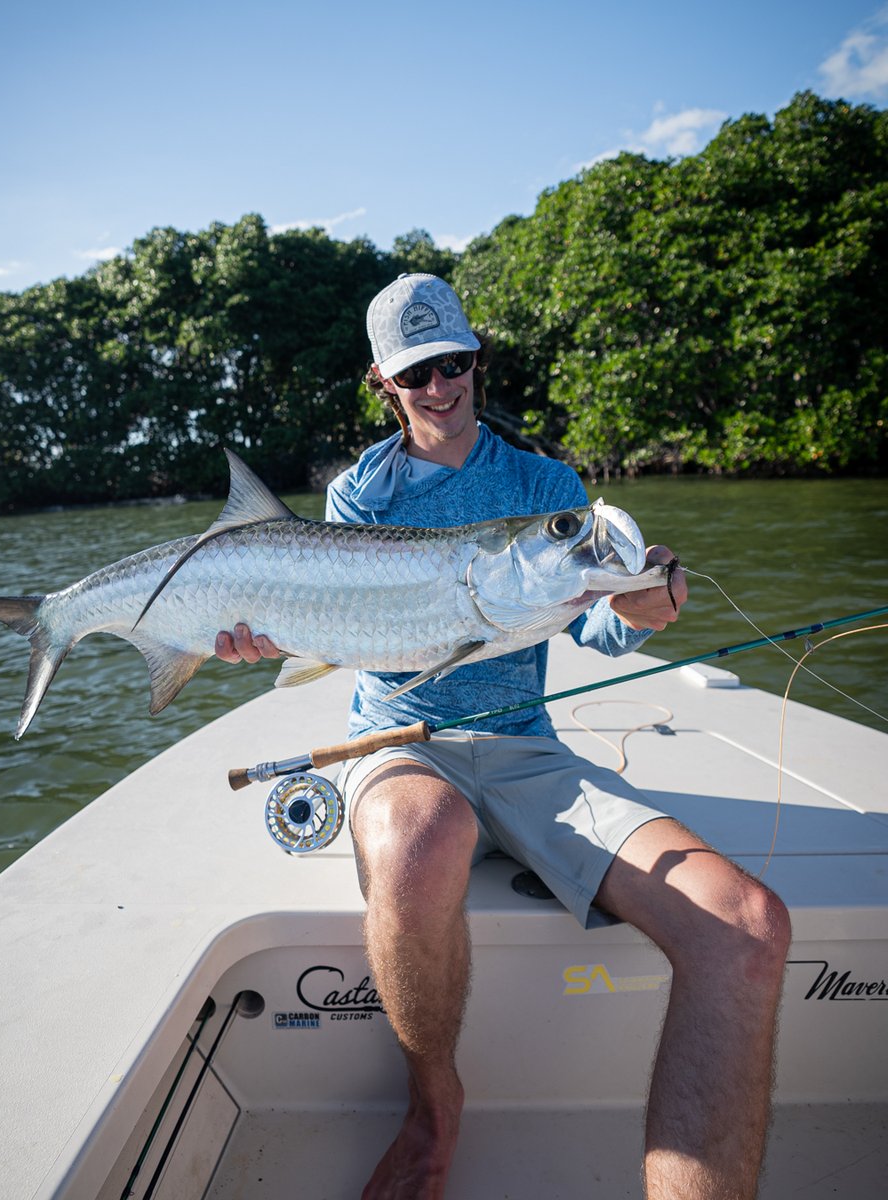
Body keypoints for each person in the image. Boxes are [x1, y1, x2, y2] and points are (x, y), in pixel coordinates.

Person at [216, 274, 791, 1200]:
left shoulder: (548, 491)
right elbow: (356, 640)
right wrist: (270, 634)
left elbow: (595, 627)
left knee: (749, 926)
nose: (441, 386)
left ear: (476, 359)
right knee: (422, 841)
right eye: (416, 374)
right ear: (383, 383)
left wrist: (649, 608)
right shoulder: (363, 492)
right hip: (399, 741)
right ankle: (434, 1108)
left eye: (454, 362)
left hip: (529, 752)